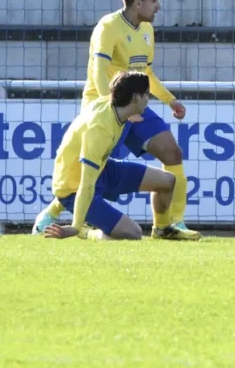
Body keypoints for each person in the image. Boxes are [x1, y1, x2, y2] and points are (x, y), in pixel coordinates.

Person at [32, 0, 196, 237]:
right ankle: (57, 210)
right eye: (154, 0)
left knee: (172, 152)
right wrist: (112, 106)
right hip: (107, 105)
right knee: (93, 167)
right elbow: (98, 72)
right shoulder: (108, 27)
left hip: (134, 104)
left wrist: (169, 99)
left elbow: (146, 73)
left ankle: (169, 225)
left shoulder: (146, 30)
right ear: (138, 3)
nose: (159, 6)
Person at [43, 72, 198, 241]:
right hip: (74, 187)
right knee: (132, 233)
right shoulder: (99, 129)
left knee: (168, 181)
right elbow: (86, 184)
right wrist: (75, 226)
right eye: (147, 94)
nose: (148, 99)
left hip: (102, 170)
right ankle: (85, 232)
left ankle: (162, 230)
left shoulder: (116, 106)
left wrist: (131, 112)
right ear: (136, 98)